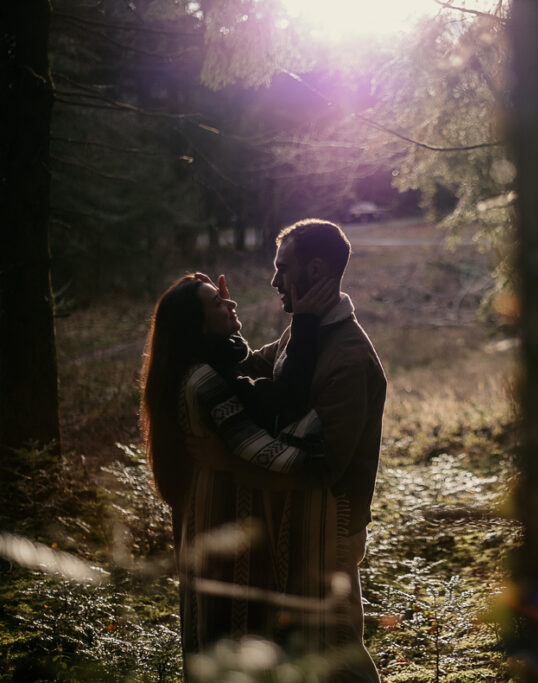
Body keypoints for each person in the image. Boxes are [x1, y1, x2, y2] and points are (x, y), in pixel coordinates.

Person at [139, 273, 349, 671]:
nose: (230, 303)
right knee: (232, 637)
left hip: (204, 519)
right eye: (216, 303)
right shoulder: (205, 382)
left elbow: (248, 369)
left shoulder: (190, 368)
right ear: (195, 324)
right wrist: (323, 459)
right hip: (223, 523)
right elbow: (262, 451)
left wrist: (228, 326)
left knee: (211, 628)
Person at [213, 218, 387, 680]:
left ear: (314, 270)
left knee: (338, 651)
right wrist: (216, 326)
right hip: (299, 523)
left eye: (282, 267)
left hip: (331, 530)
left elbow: (323, 461)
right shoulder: (305, 332)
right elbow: (257, 368)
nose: (274, 280)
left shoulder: (348, 356)